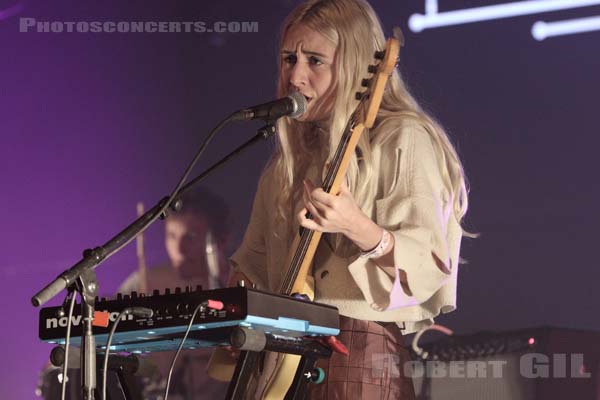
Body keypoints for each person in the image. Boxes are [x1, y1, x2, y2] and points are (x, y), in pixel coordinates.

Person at [227, 0, 470, 398]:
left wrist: (357, 227)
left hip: (359, 357)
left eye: (315, 61)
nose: (296, 75)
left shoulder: (403, 138)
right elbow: (251, 262)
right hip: (279, 360)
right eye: (289, 58)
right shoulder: (288, 161)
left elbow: (430, 265)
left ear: (357, 65)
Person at [118, 187, 231, 400]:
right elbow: (101, 321)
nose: (178, 249)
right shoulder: (146, 281)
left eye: (190, 237)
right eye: (171, 235)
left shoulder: (237, 285)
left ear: (221, 240)